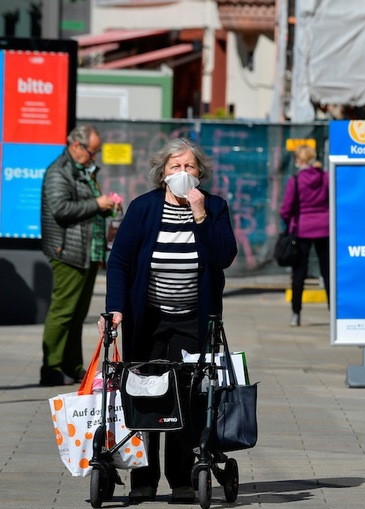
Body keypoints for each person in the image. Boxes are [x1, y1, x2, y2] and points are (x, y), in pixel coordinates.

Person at [100, 137, 237, 504]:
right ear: (162, 174)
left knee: (187, 396)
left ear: (200, 173)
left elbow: (223, 256)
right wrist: (116, 308)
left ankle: (182, 479)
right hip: (149, 318)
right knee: (145, 394)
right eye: (175, 167)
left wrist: (201, 215)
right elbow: (121, 262)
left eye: (189, 167)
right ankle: (143, 481)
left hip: (194, 318)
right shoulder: (143, 208)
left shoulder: (215, 207)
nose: (182, 173)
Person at [40, 125, 117, 387]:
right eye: (91, 152)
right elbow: (61, 209)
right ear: (76, 146)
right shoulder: (58, 172)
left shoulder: (82, 171)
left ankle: (72, 366)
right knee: (63, 312)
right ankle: (50, 368)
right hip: (67, 251)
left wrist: (107, 207)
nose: (94, 157)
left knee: (77, 312)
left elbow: (86, 207)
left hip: (87, 252)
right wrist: (97, 204)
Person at [279, 144, 330, 326]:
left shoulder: (296, 180)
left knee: (299, 273)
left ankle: (296, 313)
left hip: (302, 229)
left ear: (299, 160)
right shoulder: (325, 177)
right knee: (328, 272)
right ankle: (333, 313)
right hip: (325, 228)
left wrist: (289, 222)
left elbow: (285, 208)